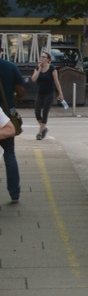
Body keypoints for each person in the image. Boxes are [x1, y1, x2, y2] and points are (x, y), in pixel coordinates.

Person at [30, 51, 65, 141]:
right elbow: (33, 79)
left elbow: (56, 81)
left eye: (44, 57)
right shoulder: (37, 68)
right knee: (37, 113)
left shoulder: (52, 69)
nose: (41, 58)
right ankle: (44, 128)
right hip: (40, 93)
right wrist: (39, 70)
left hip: (49, 93)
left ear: (48, 59)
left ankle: (40, 132)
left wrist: (60, 93)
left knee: (45, 113)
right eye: (41, 57)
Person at [0, 55, 20, 202]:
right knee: (9, 153)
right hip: (6, 112)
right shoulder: (10, 66)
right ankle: (14, 192)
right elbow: (21, 91)